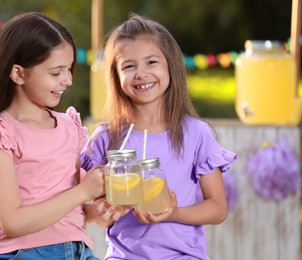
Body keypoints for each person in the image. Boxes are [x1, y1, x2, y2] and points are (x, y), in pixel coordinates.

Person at [81, 14, 237, 259]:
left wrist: (173, 212)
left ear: (170, 66)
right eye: (129, 66)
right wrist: (99, 213)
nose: (141, 74)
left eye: (151, 62)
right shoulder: (106, 137)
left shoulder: (196, 134)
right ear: (115, 76)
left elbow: (217, 208)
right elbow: (83, 209)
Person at [0, 12, 105, 260]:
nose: (68, 80)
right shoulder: (0, 136)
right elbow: (12, 222)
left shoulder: (70, 127)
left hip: (79, 251)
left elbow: (82, 209)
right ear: (18, 74)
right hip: (25, 254)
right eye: (56, 72)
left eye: (69, 69)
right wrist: (83, 193)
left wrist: (102, 209)